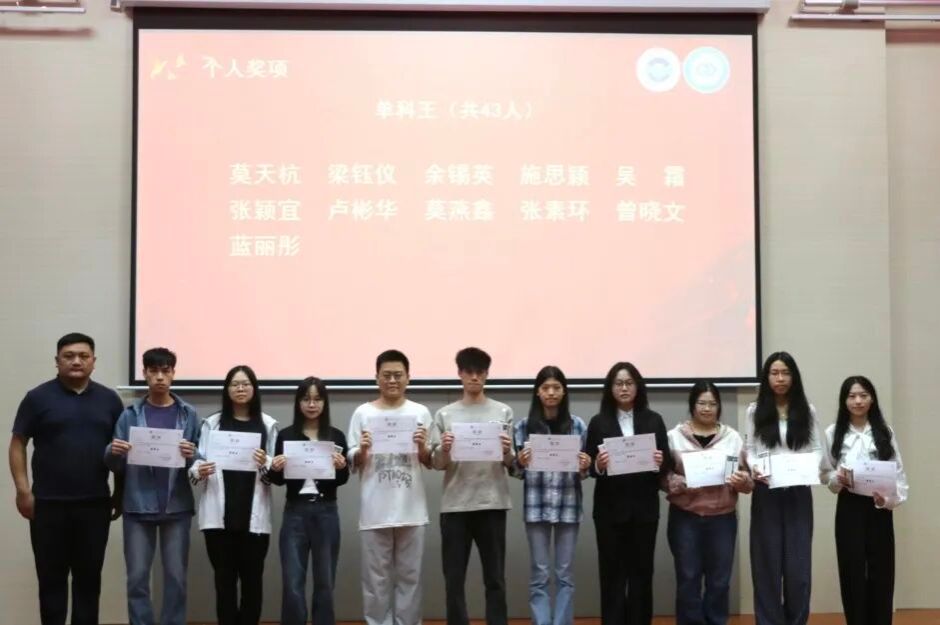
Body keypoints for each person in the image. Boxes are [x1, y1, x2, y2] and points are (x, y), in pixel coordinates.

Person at [9, 332, 124, 625]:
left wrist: (120, 492)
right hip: (47, 505)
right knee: (51, 581)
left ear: (94, 361)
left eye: (83, 356)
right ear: (57, 361)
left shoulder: (110, 400)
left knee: (89, 581)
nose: (76, 361)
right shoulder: (37, 398)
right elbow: (18, 443)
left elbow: (121, 451)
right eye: (69, 356)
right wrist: (23, 491)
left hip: (94, 505)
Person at [105, 347, 200, 625]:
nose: (160, 377)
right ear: (144, 373)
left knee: (176, 578)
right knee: (137, 579)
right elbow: (114, 464)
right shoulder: (130, 415)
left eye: (165, 371)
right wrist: (113, 451)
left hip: (176, 507)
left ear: (173, 374)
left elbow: (200, 463)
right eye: (154, 371)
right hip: (137, 506)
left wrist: (192, 454)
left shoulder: (188, 414)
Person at [744, 352, 831, 625]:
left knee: (798, 567)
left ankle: (796, 620)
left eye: (785, 373)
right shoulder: (754, 410)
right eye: (774, 373)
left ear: (794, 377)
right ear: (767, 377)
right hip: (766, 490)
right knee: (766, 564)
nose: (780, 379)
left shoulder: (807, 410)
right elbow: (750, 449)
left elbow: (817, 449)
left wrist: (807, 467)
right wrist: (756, 467)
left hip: (798, 492)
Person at [430, 347, 515, 625]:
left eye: (480, 372)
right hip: (455, 505)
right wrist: (444, 449)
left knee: (495, 579)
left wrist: (507, 450)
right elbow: (437, 463)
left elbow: (512, 463)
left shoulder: (503, 411)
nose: (475, 377)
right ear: (460, 374)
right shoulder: (445, 414)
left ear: (487, 374)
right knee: (454, 580)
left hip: (492, 502)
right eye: (469, 372)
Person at [347, 350, 432, 625]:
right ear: (377, 378)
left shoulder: (420, 412)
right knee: (375, 580)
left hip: (412, 509)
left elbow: (430, 460)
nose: (392, 380)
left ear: (408, 378)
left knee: (411, 578)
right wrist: (363, 450)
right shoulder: (363, 413)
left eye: (398, 375)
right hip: (374, 510)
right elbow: (352, 459)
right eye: (386, 375)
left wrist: (422, 446)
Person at [189, 365, 278, 625]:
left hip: (254, 520)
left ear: (254, 389)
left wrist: (265, 461)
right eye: (235, 384)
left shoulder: (268, 424)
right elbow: (197, 462)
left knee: (252, 584)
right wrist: (198, 469)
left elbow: (275, 471)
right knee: (224, 583)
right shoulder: (212, 423)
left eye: (246, 384)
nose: (240, 389)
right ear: (227, 390)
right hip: (219, 520)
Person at [586, 361, 671, 625]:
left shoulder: (653, 419)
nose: (624, 388)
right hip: (609, 511)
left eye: (629, 383)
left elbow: (666, 462)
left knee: (642, 574)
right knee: (611, 574)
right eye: (618, 383)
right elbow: (589, 465)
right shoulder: (599, 422)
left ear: (638, 387)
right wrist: (598, 465)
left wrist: (660, 461)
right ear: (610, 388)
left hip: (644, 510)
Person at [664, 381, 752, 625]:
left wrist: (742, 481)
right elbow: (661, 478)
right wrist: (679, 482)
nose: (707, 408)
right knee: (688, 577)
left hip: (722, 518)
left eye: (712, 404)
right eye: (701, 403)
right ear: (692, 405)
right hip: (685, 517)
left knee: (719, 580)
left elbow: (748, 480)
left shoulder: (732, 438)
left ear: (719, 407)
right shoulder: (673, 437)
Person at [825, 375, 908, 625]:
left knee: (881, 570)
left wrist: (887, 501)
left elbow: (898, 473)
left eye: (863, 395)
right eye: (852, 396)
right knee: (851, 570)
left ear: (872, 399)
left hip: (878, 507)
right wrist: (837, 479)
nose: (858, 401)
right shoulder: (833, 432)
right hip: (849, 507)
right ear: (844, 401)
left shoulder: (884, 431)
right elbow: (825, 474)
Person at [512, 366, 590, 625]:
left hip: (568, 505)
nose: (551, 392)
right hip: (537, 506)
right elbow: (516, 471)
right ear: (537, 391)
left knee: (565, 574)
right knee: (540, 574)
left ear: (564, 391)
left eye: (556, 387)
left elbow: (584, 472)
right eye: (546, 387)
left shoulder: (577, 425)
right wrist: (520, 461)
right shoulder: (524, 426)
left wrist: (585, 465)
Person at [270, 377, 350, 625]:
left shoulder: (335, 436)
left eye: (317, 399)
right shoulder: (286, 435)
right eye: (306, 399)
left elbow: (342, 479)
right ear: (298, 403)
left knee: (325, 581)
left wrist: (342, 467)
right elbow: (277, 480)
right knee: (292, 582)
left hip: (326, 511)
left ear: (325, 403)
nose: (312, 404)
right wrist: (275, 467)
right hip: (295, 512)